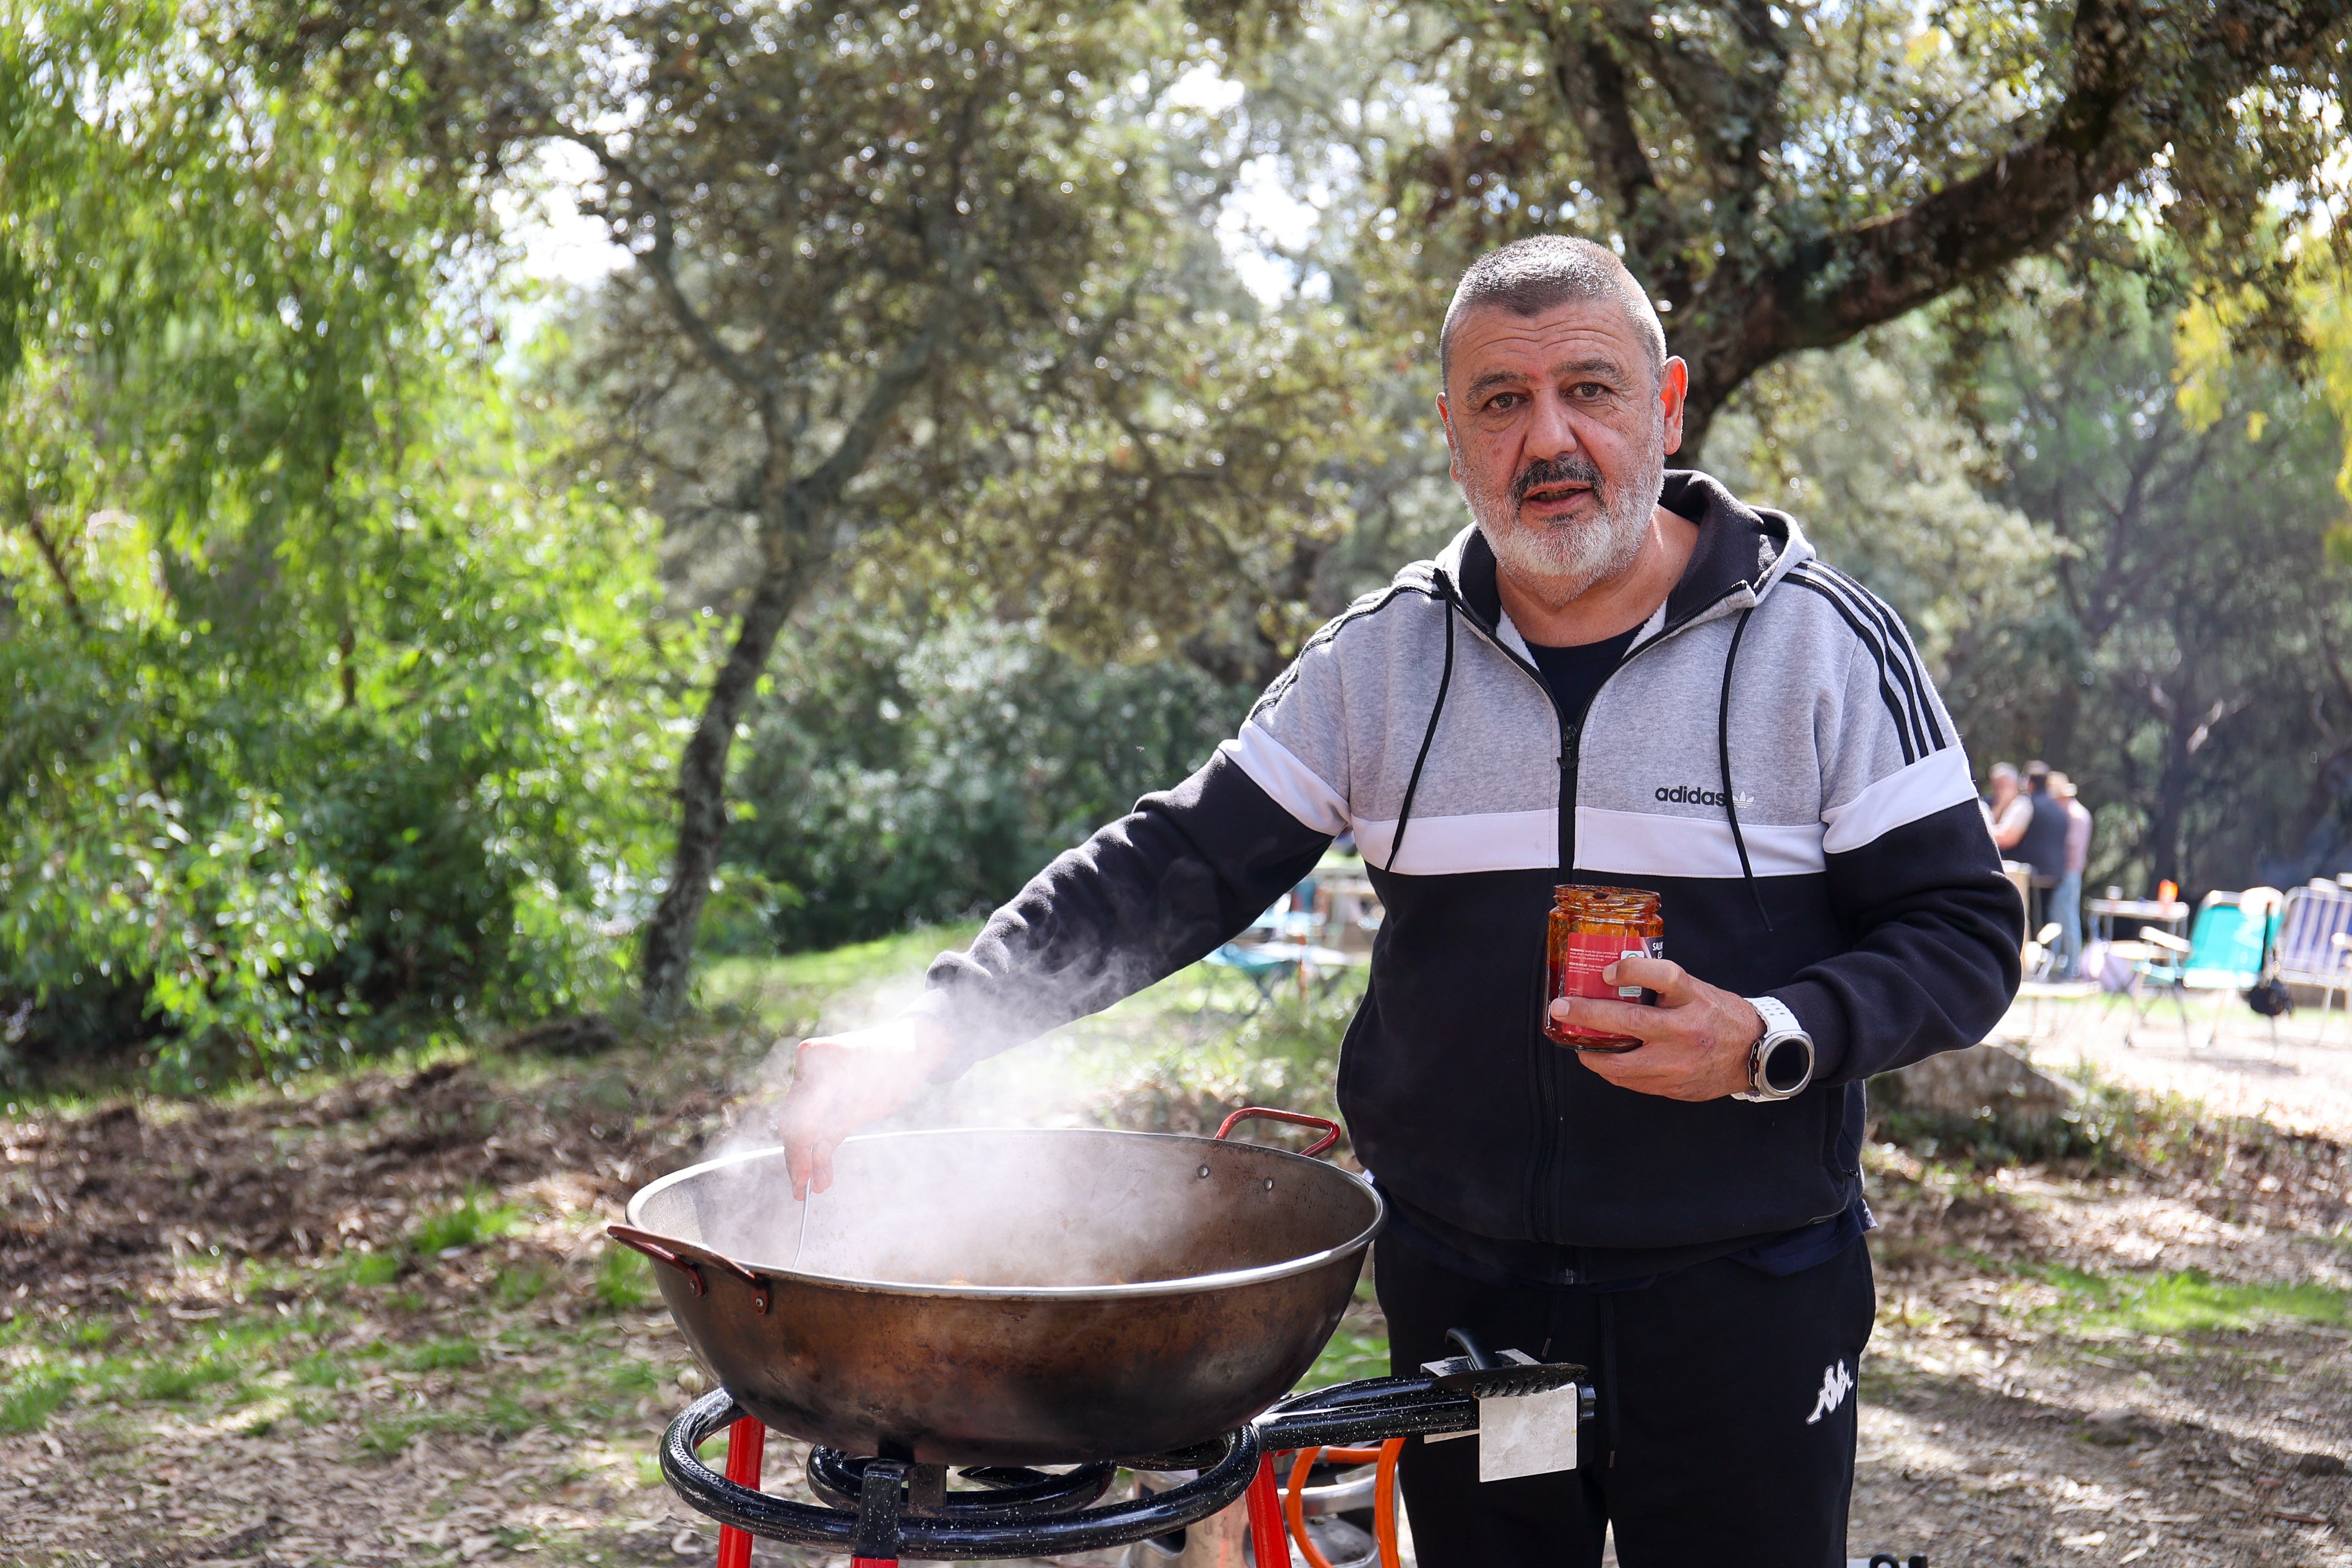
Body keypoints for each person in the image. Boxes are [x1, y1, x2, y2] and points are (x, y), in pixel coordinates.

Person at [772, 235, 2023, 1568]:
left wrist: (1769, 1033)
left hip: (1743, 1298)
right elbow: (1171, 866)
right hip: (1481, 1310)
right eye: (1502, 400)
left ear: (1665, 405)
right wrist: (931, 1029)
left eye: (1589, 391)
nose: (1549, 437)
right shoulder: (1381, 662)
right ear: (1452, 434)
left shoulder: (1820, 643)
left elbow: (1963, 932)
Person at [2014, 761, 2072, 939]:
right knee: (2045, 920)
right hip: (2054, 874)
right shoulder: (2061, 811)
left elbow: (2012, 836)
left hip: (2032, 874)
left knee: (2029, 922)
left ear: (2030, 782)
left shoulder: (2027, 804)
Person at [2052, 772, 2093, 979]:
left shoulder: (2074, 816)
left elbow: (2072, 845)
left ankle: (2071, 966)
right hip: (2070, 873)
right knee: (2062, 917)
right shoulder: (2078, 813)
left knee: (2067, 919)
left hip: (2069, 872)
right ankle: (2063, 963)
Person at [1988, 761, 2031, 852]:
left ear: (2015, 784)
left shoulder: (2021, 805)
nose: (1999, 791)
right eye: (1997, 786)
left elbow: (2005, 839)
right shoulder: (1993, 804)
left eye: (2004, 786)